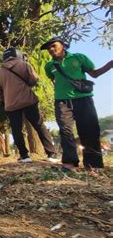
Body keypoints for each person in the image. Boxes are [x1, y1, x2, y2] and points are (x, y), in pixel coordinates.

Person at [41, 37, 113, 173]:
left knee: (89, 130)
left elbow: (95, 74)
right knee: (65, 131)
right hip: (62, 102)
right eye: (48, 48)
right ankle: (69, 162)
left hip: (83, 99)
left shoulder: (79, 58)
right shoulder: (49, 66)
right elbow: (52, 79)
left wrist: (110, 64)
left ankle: (93, 164)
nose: (50, 49)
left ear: (63, 46)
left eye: (53, 46)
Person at [0, 48, 57, 163]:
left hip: (11, 104)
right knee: (39, 125)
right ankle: (51, 153)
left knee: (16, 130)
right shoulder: (24, 64)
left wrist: (6, 99)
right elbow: (34, 80)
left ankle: (25, 156)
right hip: (28, 100)